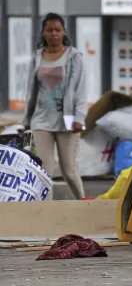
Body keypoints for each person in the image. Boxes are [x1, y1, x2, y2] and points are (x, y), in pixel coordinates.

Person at [22, 13, 88, 200]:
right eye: (49, 30)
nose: (53, 34)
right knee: (44, 170)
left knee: (69, 170)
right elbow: (31, 90)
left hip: (67, 120)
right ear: (43, 33)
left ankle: (83, 204)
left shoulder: (73, 56)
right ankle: (47, 211)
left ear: (63, 32)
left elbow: (81, 89)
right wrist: (27, 120)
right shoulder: (37, 57)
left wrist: (79, 118)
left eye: (57, 30)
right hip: (41, 119)